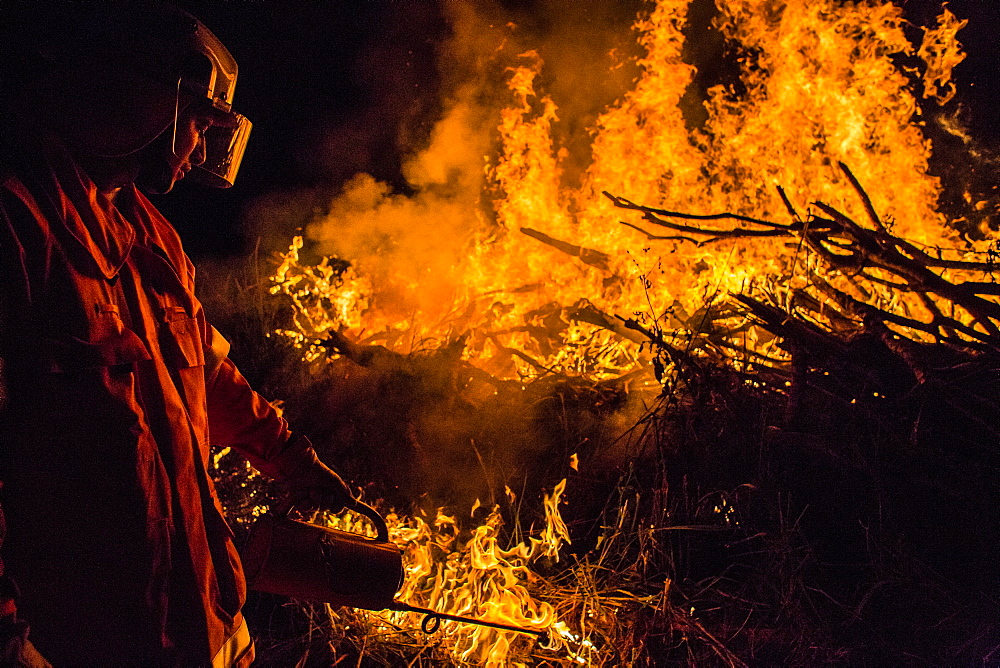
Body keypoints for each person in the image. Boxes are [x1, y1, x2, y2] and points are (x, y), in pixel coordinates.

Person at [0, 3, 354, 665]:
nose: (200, 149)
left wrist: (290, 458)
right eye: (199, 122)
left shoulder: (154, 237)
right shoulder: (20, 229)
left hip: (208, 625)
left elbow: (202, 370)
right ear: (139, 103)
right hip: (91, 643)